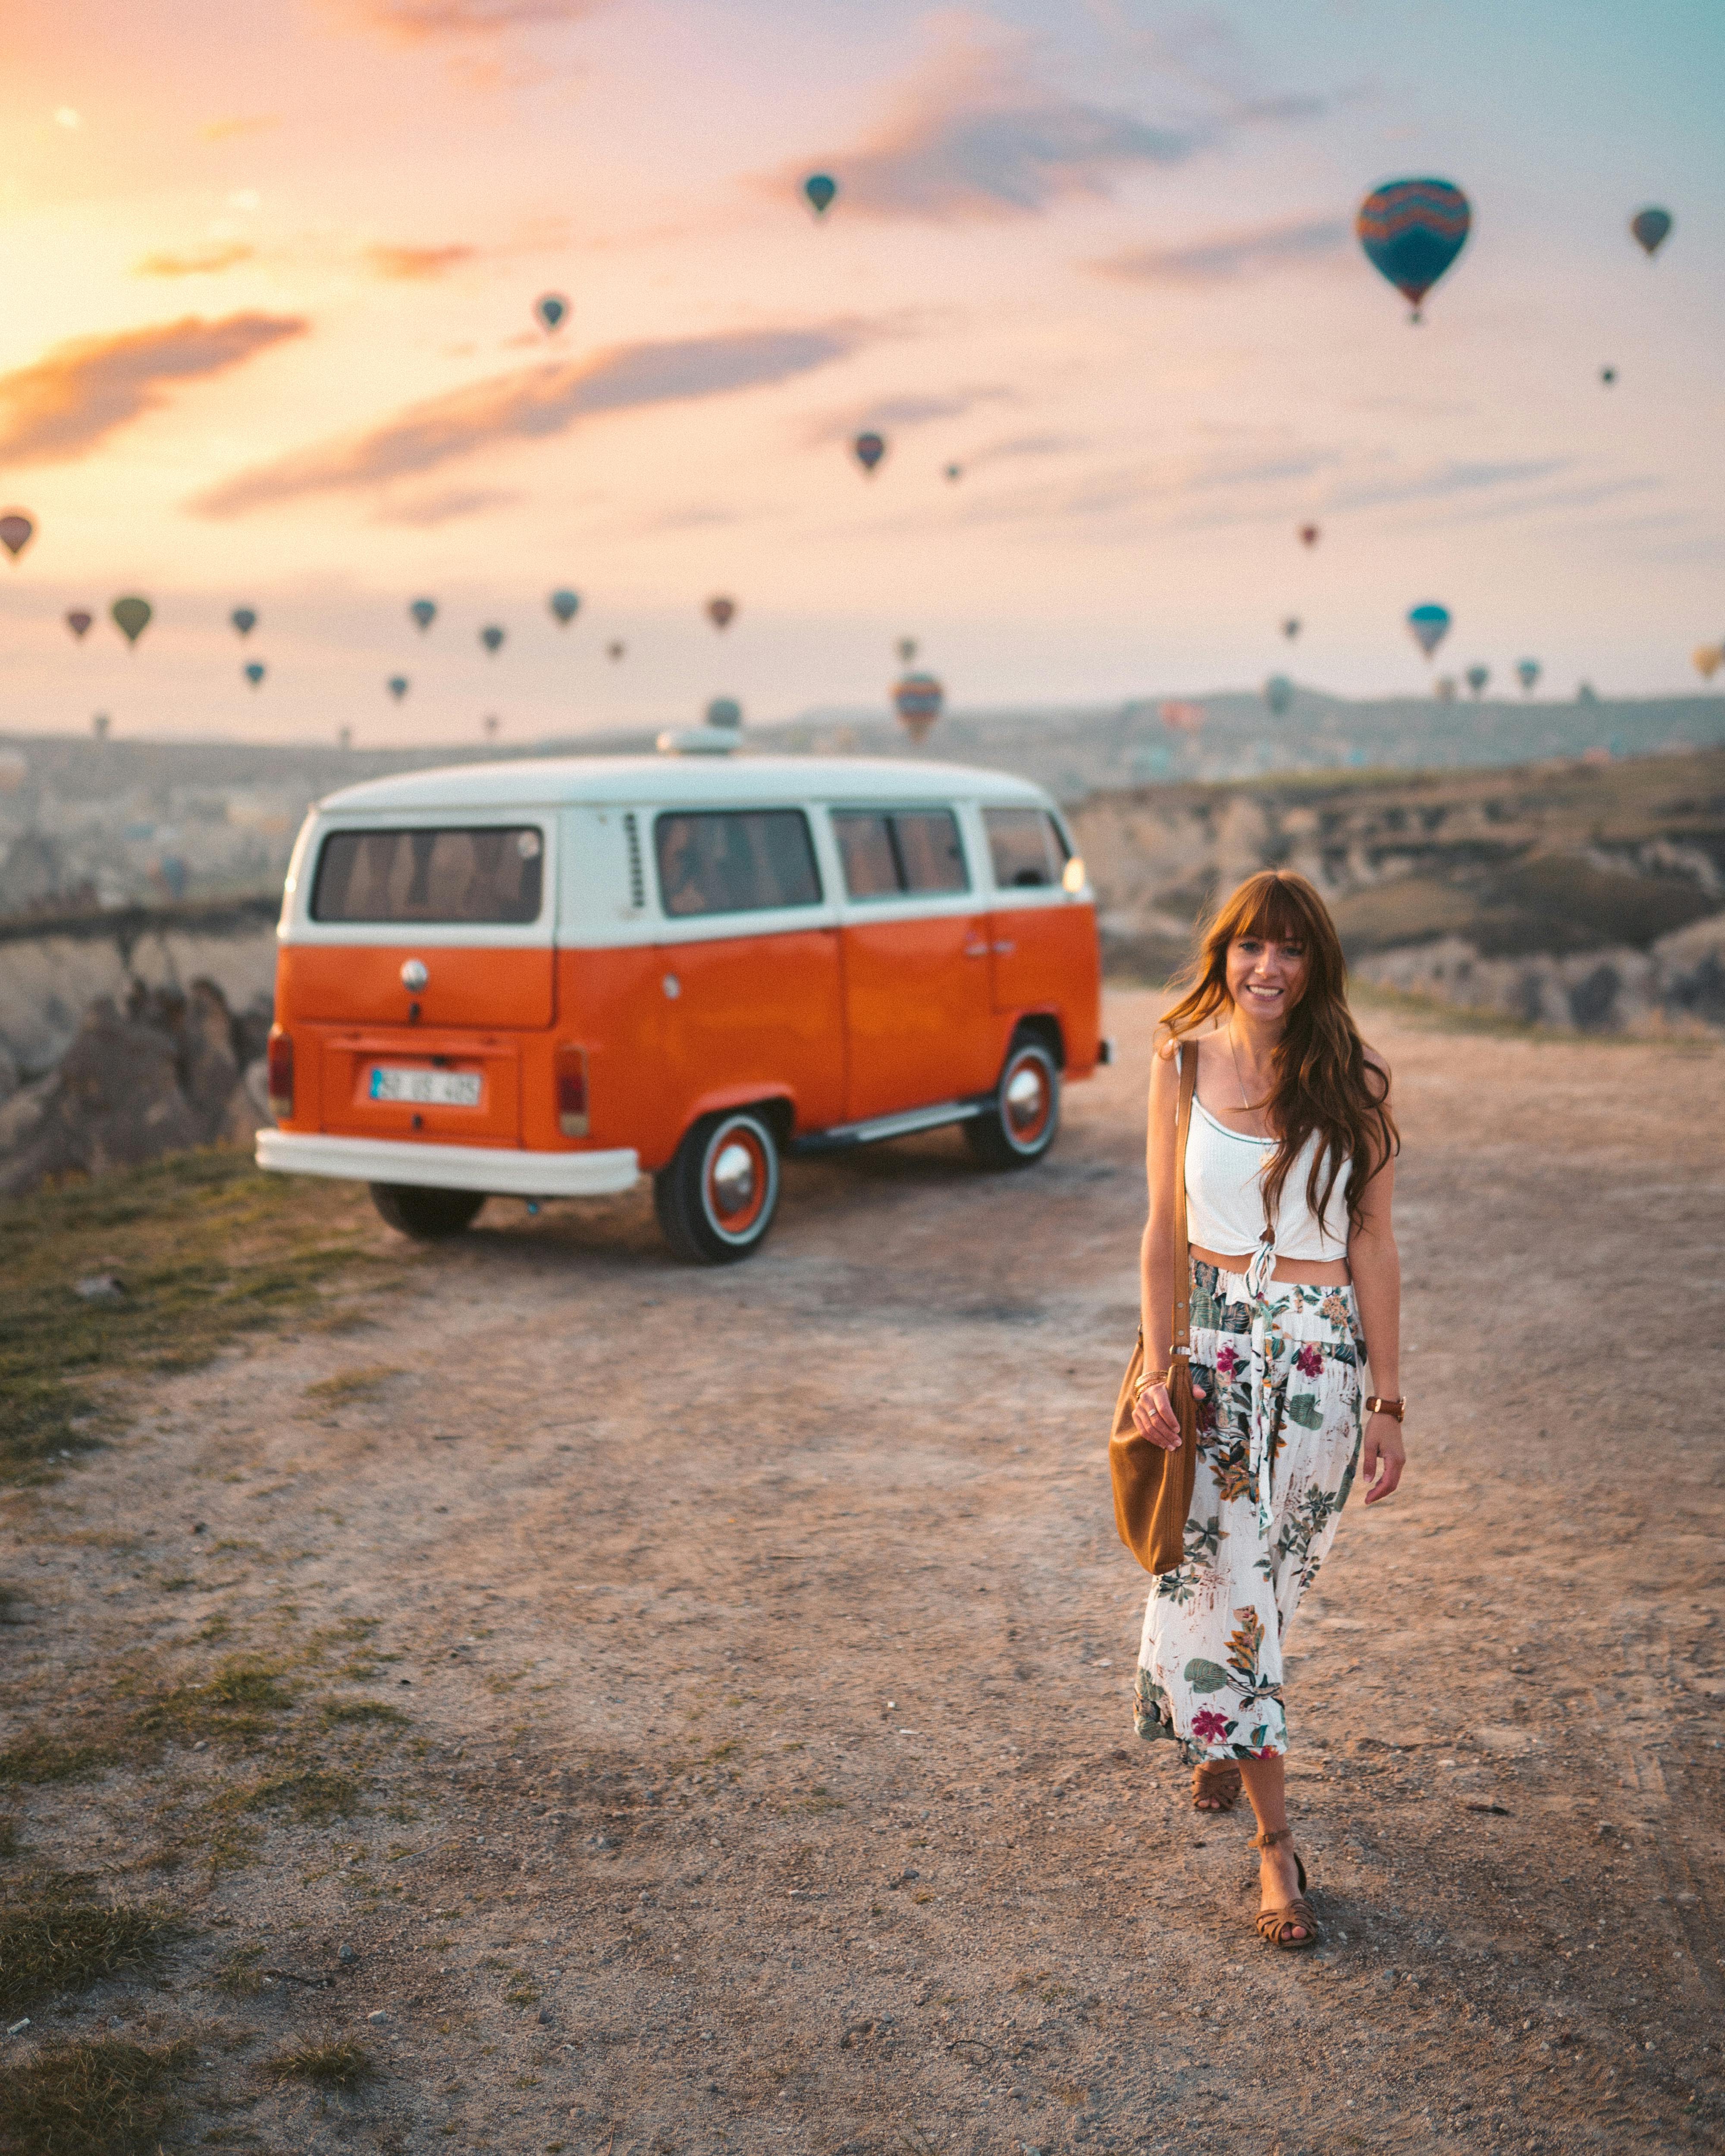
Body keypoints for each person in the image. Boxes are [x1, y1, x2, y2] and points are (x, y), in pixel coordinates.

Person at [1130, 870, 1404, 1950]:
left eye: (1290, 949)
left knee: (1266, 1584)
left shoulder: (1360, 1077)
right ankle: (1274, 1850)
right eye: (1250, 946)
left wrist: (1387, 1398)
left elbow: (1373, 1243)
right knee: (1229, 1585)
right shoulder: (1179, 1056)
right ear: (1224, 953)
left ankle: (1216, 1723)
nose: (1267, 967)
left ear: (1314, 963)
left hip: (1318, 1363)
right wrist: (1161, 1366)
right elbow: (1160, 1225)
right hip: (1208, 1350)